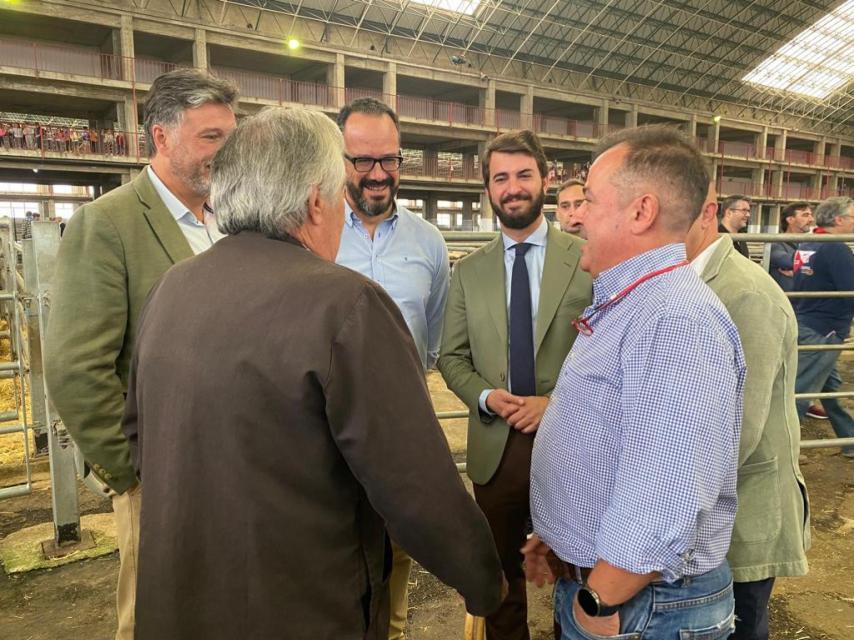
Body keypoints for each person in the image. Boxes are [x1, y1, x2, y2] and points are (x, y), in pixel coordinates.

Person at [123, 106, 504, 640]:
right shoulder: (345, 304)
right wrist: (484, 580)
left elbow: (139, 433)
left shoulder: (173, 289)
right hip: (302, 602)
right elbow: (414, 484)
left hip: (181, 599)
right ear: (314, 202)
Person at [525, 126, 745, 640]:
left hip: (644, 609)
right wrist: (561, 536)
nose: (575, 216)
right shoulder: (636, 305)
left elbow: (666, 484)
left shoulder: (673, 317)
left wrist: (599, 597)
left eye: (590, 201)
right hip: (625, 596)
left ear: (640, 212)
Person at [43, 69, 239, 640]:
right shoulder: (107, 224)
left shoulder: (227, 221)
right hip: (160, 472)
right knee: (157, 614)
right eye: (210, 138)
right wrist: (134, 476)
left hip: (232, 465)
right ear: (161, 137)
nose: (225, 153)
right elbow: (77, 369)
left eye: (231, 136)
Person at [439, 129, 592, 640]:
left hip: (573, 443)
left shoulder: (587, 261)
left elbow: (612, 352)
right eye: (500, 177)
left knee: (576, 569)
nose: (513, 187)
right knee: (503, 574)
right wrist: (485, 396)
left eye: (523, 174)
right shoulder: (469, 272)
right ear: (488, 189)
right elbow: (452, 357)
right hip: (496, 447)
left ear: (544, 180)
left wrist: (556, 402)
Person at [335, 97, 450, 640]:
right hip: (326, 430)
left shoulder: (429, 242)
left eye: (390, 159)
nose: (378, 175)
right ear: (340, 161)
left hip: (401, 429)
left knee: (396, 550)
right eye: (363, 161)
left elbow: (431, 336)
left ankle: (393, 632)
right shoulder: (313, 232)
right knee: (330, 545)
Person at [687, 183, 810, 640]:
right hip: (705, 514)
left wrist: (657, 506)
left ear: (706, 213)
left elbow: (740, 430)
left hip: (742, 520)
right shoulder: (683, 282)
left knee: (740, 624)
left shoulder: (746, 294)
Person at [792, 196, 854, 459]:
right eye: (852, 216)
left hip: (806, 320)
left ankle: (850, 439)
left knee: (831, 390)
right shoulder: (835, 248)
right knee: (800, 392)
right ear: (839, 219)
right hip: (824, 328)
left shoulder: (809, 242)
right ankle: (784, 449)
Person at [769, 202, 814, 292]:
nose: (811, 219)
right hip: (786, 301)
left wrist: (797, 272)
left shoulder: (809, 243)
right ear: (790, 219)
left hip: (804, 301)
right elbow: (790, 262)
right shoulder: (776, 244)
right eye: (805, 215)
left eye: (811, 215)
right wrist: (810, 269)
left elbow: (817, 267)